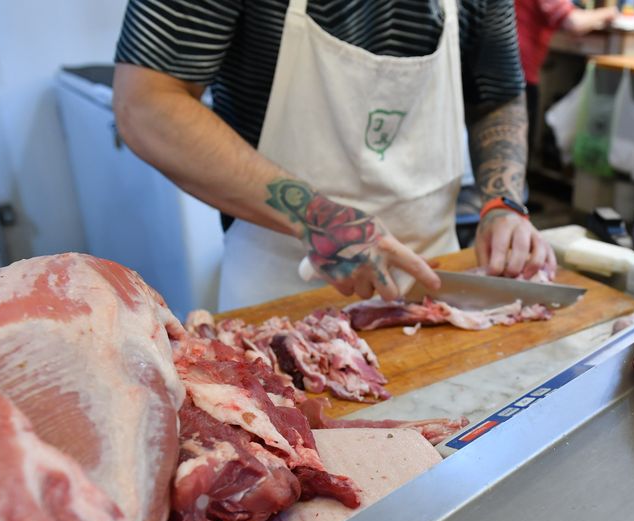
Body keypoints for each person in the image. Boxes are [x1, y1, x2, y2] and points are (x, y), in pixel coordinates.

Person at [113, 1, 556, 311]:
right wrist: (319, 217)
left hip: (433, 288)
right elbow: (147, 103)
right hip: (282, 294)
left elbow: (495, 97)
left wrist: (503, 201)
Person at [514, 1, 621, 141]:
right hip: (518, 73)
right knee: (520, 145)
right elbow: (574, 22)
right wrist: (610, 12)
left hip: (507, 66)